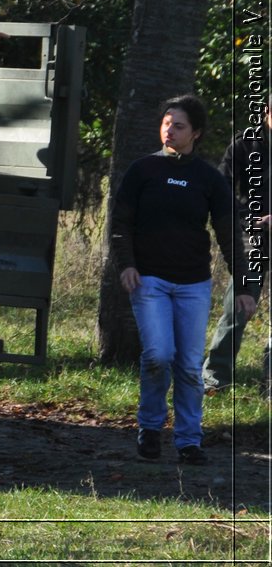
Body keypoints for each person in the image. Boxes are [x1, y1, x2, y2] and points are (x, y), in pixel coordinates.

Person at [108, 94, 257, 464]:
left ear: (196, 133)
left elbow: (227, 234)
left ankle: (189, 441)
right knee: (158, 355)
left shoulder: (208, 178)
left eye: (179, 125)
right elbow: (120, 222)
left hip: (193, 284)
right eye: (166, 123)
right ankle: (151, 429)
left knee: (189, 367)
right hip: (149, 281)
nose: (170, 130)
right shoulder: (143, 170)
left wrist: (243, 285)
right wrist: (126, 265)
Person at [202, 104, 270, 393]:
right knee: (238, 308)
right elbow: (222, 188)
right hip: (253, 238)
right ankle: (216, 377)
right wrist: (248, 217)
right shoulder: (245, 142)